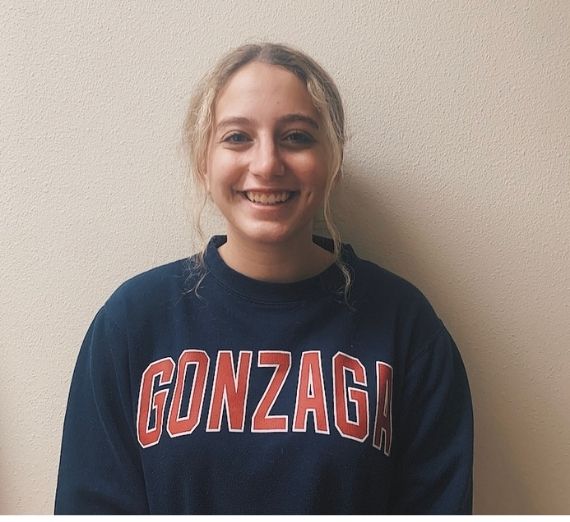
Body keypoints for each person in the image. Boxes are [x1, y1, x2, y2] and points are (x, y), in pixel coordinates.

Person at [55, 42, 473, 515]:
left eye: (296, 136)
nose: (267, 163)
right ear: (202, 161)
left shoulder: (405, 325)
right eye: (237, 137)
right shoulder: (132, 321)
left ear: (332, 161)